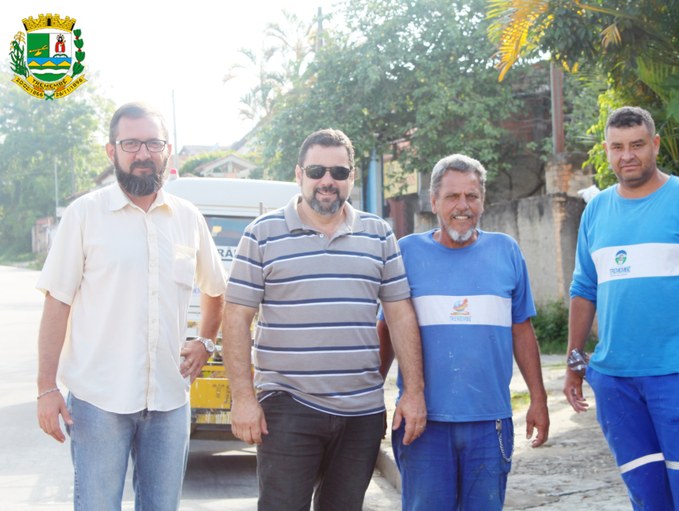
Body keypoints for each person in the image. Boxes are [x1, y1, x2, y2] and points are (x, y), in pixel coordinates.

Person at [222, 128, 427, 511]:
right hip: (288, 407)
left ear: (351, 177)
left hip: (361, 414)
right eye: (317, 171)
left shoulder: (379, 235)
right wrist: (243, 399)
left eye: (339, 172)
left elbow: (400, 316)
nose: (327, 181)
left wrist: (414, 392)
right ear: (299, 174)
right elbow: (235, 318)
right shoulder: (262, 234)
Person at [36, 102, 227, 511]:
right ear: (112, 151)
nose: (143, 153)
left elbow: (216, 289)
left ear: (167, 151)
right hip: (98, 401)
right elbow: (57, 302)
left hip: (169, 400)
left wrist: (205, 342)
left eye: (153, 143)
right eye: (131, 144)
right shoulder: (85, 215)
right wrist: (46, 388)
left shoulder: (187, 218)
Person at [565, 106, 679, 510]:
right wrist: (574, 361)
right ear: (606, 151)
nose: (628, 155)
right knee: (646, 494)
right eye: (618, 147)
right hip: (615, 380)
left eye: (637, 145)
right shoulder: (596, 210)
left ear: (655, 145)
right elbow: (584, 290)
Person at [378, 154, 550, 511]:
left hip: (490, 423)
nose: (463, 206)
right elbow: (387, 331)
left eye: (471, 196)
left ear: (482, 200)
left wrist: (539, 398)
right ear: (434, 201)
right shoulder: (406, 253)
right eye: (452, 196)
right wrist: (370, 401)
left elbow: (522, 330)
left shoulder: (506, 251)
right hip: (422, 422)